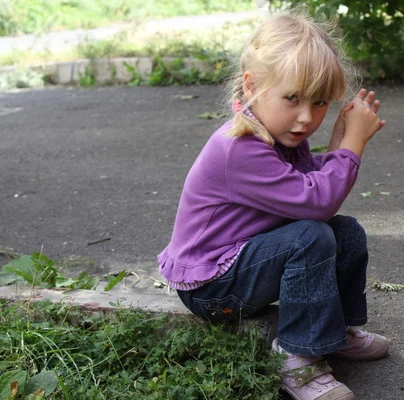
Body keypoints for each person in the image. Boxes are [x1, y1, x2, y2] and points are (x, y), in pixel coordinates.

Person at [157, 10, 389, 400]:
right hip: (212, 285)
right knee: (310, 236)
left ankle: (334, 332)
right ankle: (296, 357)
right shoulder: (239, 148)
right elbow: (317, 203)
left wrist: (335, 145)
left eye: (319, 103)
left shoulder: (277, 133)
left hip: (244, 259)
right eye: (292, 98)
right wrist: (353, 146)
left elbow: (309, 190)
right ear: (251, 86)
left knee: (345, 232)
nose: (305, 118)